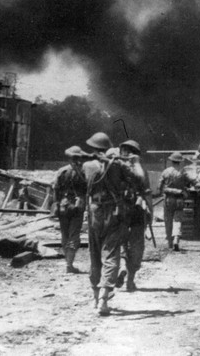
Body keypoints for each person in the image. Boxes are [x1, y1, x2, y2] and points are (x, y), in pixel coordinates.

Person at [83, 131, 138, 316]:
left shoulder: (87, 165)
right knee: (111, 254)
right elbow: (136, 179)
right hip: (113, 213)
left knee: (94, 254)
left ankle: (95, 297)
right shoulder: (117, 166)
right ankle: (104, 300)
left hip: (94, 212)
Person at [118, 139, 153, 292]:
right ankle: (130, 280)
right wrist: (150, 213)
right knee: (137, 246)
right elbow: (147, 192)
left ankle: (122, 269)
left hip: (120, 211)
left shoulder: (115, 168)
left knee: (121, 243)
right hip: (137, 211)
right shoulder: (140, 170)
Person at [51, 145, 89, 275]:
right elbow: (88, 190)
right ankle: (69, 264)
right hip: (77, 207)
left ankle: (68, 264)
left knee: (64, 234)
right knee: (74, 235)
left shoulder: (62, 171)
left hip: (63, 205)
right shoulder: (84, 172)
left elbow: (55, 188)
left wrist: (57, 203)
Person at [158, 152, 190, 251]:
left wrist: (161, 192)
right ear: (180, 162)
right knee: (177, 219)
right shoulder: (183, 173)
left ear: (171, 161)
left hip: (168, 199)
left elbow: (159, 186)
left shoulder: (165, 172)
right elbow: (190, 182)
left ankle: (169, 242)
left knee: (168, 220)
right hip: (179, 199)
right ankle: (176, 238)